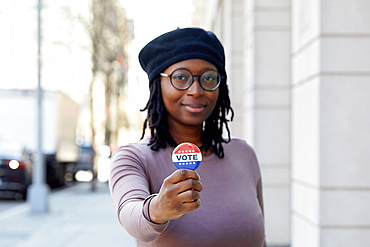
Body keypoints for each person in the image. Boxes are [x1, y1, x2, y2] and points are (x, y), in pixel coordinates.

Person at [109, 27, 266, 247]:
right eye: (181, 77)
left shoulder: (243, 154)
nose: (196, 90)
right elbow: (132, 219)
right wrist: (159, 209)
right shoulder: (134, 158)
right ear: (158, 84)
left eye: (209, 78)